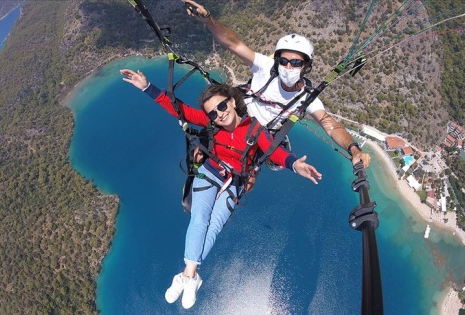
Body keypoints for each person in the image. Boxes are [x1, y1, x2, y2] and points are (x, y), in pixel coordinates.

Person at [120, 68, 322, 309]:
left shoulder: (255, 130)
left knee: (213, 227)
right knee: (200, 218)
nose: (219, 114)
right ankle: (190, 275)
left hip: (234, 181)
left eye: (222, 106)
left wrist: (293, 164)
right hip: (210, 172)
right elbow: (179, 110)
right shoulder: (210, 123)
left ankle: (186, 276)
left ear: (233, 102)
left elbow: (274, 151)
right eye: (213, 113)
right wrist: (146, 87)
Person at [182, 0, 371, 168]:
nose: (288, 66)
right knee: (198, 156)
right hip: (235, 116)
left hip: (257, 136)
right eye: (284, 61)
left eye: (296, 62)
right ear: (277, 61)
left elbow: (331, 126)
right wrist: (208, 19)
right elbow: (234, 44)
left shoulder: (307, 99)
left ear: (306, 67)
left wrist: (354, 149)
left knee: (245, 177)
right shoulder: (265, 66)